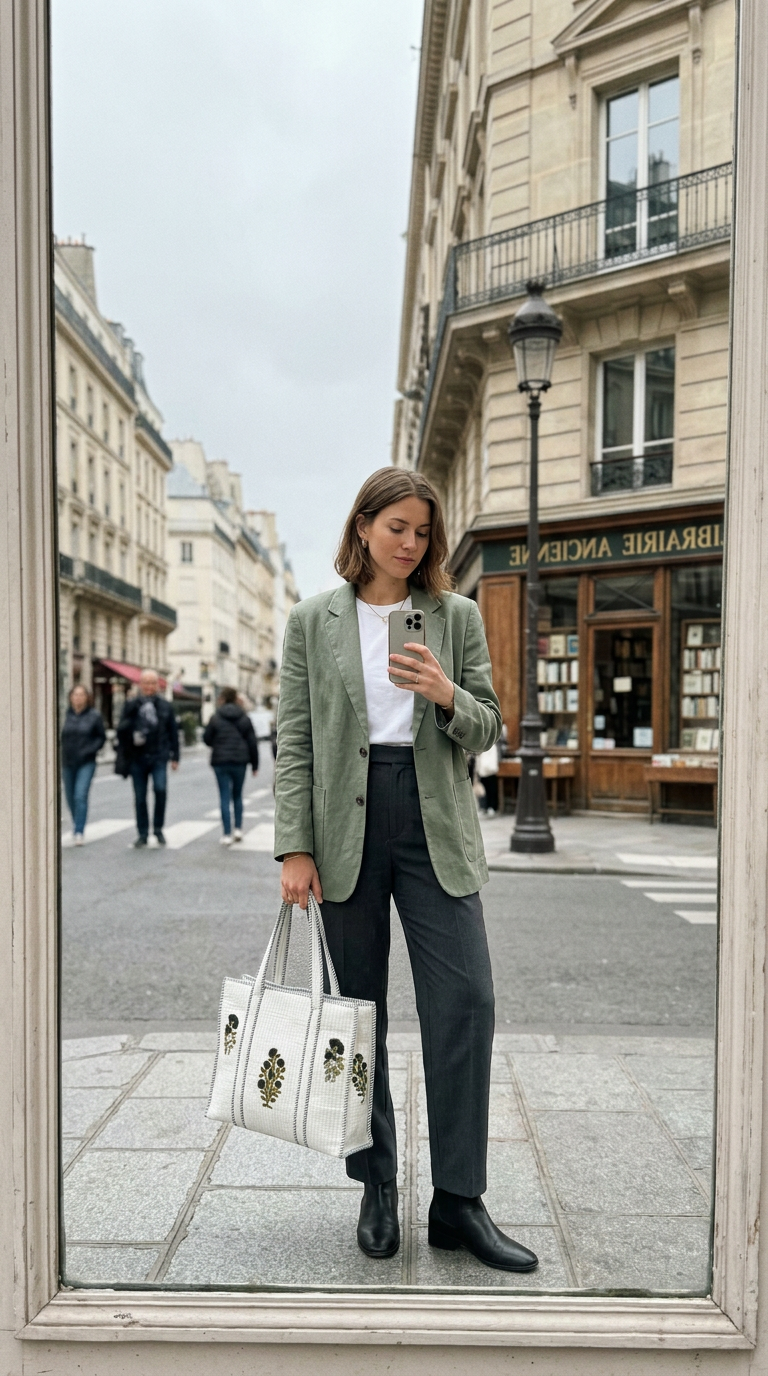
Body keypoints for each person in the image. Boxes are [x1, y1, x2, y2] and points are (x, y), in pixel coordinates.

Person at [275, 468, 537, 1274]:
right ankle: (376, 1183)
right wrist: (294, 846)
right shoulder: (312, 621)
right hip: (345, 822)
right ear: (361, 528)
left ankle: (459, 1200)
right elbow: (296, 739)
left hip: (436, 822)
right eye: (397, 527)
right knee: (359, 1017)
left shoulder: (453, 616)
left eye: (423, 531)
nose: (411, 542)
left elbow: (489, 728)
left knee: (467, 1002)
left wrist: (447, 693)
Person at [117, 669, 180, 848]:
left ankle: (158, 829)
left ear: (158, 685)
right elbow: (121, 728)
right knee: (140, 797)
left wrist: (175, 756)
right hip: (137, 757)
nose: (149, 687)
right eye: (146, 683)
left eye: (153, 683)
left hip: (159, 755)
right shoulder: (131, 704)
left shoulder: (165, 705)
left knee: (160, 790)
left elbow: (173, 731)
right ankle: (142, 833)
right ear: (140, 684)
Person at [203, 687, 259, 845]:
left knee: (224, 796)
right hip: (240, 761)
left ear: (222, 698)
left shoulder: (215, 717)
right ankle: (238, 830)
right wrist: (255, 765)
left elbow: (207, 739)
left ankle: (226, 833)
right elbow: (252, 743)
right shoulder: (244, 718)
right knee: (238, 795)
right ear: (235, 698)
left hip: (220, 761)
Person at [61, 684, 106, 845]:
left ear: (87, 698)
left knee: (80, 795)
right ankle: (76, 822)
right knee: (70, 797)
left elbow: (101, 737)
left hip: (86, 762)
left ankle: (79, 830)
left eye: (81, 695)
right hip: (67, 761)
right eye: (75, 695)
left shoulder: (94, 716)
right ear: (70, 697)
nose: (78, 698)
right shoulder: (64, 715)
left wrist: (90, 750)